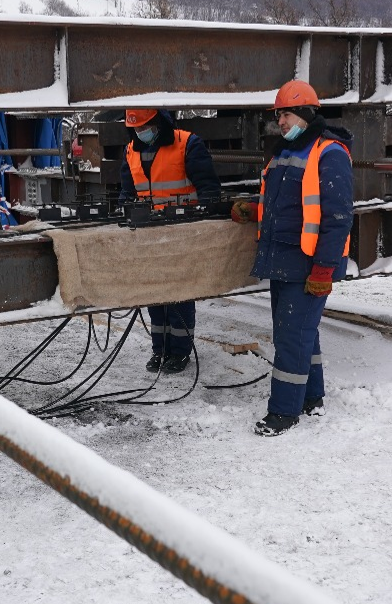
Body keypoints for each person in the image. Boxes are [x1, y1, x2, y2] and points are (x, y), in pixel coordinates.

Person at [230, 82, 354, 436]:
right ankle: (311, 398)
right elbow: (284, 206)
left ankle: (283, 412)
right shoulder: (285, 152)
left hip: (309, 262)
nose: (280, 121)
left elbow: (338, 218)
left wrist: (324, 269)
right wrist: (253, 209)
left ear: (304, 114)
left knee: (290, 338)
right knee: (299, 334)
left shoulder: (330, 153)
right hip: (284, 258)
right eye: (278, 115)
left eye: (285, 114)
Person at [121, 108, 221, 373]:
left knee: (180, 296)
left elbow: (209, 190)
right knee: (156, 294)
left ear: (159, 122)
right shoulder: (131, 151)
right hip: (150, 236)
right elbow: (127, 191)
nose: (141, 132)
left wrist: (204, 224)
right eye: (136, 128)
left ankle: (179, 352)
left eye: (145, 126)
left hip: (182, 234)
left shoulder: (187, 144)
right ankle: (160, 350)